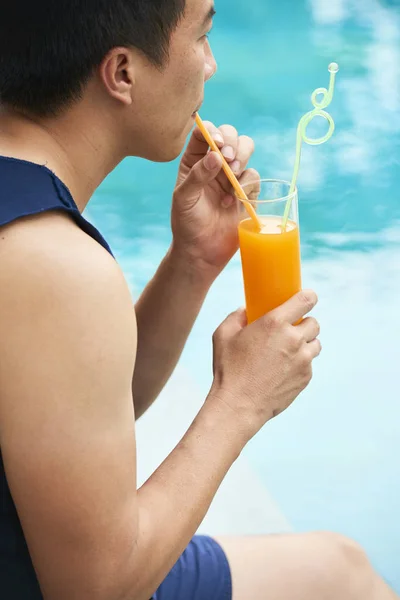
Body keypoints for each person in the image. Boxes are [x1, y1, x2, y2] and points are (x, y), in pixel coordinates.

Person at [0, 1, 396, 599]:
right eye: (204, 35)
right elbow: (96, 587)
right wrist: (240, 401)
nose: (211, 65)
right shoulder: (55, 262)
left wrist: (193, 262)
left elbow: (76, 409)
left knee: (340, 568)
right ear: (123, 73)